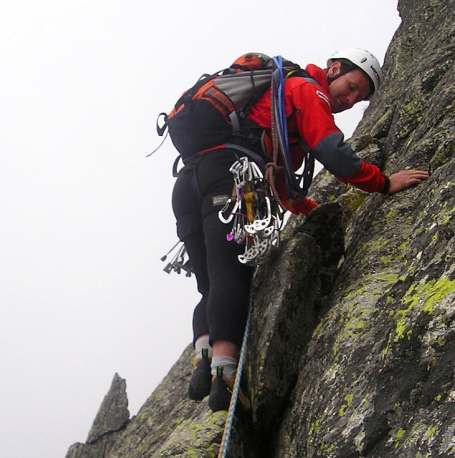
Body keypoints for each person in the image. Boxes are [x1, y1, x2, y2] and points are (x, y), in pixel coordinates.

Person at [171, 49, 429, 412]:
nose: (351, 99)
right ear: (335, 69)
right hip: (229, 177)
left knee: (210, 282)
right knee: (232, 273)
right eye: (352, 86)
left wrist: (312, 209)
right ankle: (225, 376)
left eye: (359, 98)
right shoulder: (308, 89)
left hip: (187, 185)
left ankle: (203, 355)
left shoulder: (274, 102)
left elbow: (281, 185)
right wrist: (383, 183)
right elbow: (333, 152)